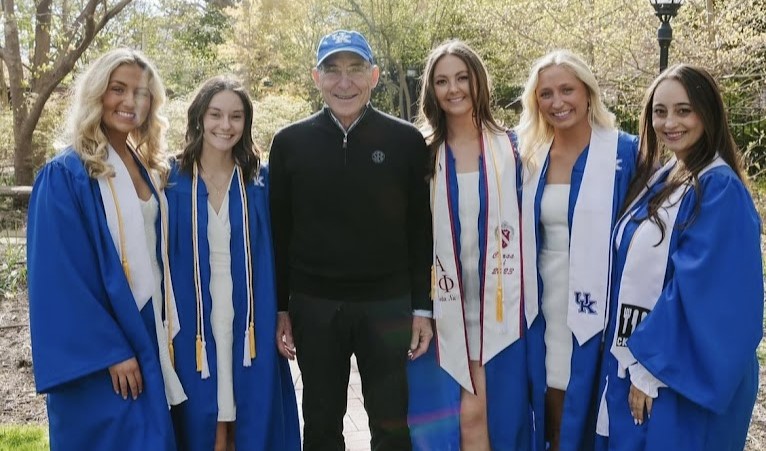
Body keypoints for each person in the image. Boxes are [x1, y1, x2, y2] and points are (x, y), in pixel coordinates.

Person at [270, 29, 433, 451]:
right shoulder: (289, 143)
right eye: (333, 70)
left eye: (356, 69)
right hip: (315, 306)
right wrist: (282, 307)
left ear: (375, 75)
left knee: (391, 422)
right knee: (322, 422)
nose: (345, 82)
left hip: (388, 305)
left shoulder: (406, 141)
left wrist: (421, 307)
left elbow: (420, 230)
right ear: (316, 77)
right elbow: (280, 231)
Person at [595, 64, 763, 451]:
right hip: (641, 361)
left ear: (708, 112)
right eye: (660, 111)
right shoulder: (668, 175)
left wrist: (650, 370)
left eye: (684, 110)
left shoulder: (718, 189)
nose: (669, 122)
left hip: (679, 377)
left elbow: (708, 296)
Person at [27, 48, 185, 450]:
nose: (130, 102)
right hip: (102, 348)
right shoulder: (66, 174)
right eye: (119, 89)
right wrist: (110, 350)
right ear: (97, 92)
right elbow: (60, 275)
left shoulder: (143, 164)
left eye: (142, 92)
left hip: (148, 326)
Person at [166, 76, 301, 451]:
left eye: (236, 117)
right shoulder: (170, 180)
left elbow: (284, 249)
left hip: (248, 317)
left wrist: (282, 312)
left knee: (244, 414)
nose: (225, 126)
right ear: (199, 117)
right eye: (216, 114)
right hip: (194, 320)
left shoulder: (259, 181)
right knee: (207, 419)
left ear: (247, 123)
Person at [407, 39, 530, 451]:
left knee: (493, 414)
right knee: (456, 418)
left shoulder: (514, 149)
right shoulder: (422, 154)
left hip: (502, 302)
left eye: (462, 78)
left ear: (478, 81)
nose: (453, 89)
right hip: (443, 306)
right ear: (431, 91)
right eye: (442, 81)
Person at [517, 50, 638, 451]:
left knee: (589, 400)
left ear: (588, 93)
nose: (557, 102)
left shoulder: (625, 154)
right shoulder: (530, 157)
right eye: (546, 93)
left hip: (599, 300)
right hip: (544, 300)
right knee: (550, 399)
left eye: (567, 89)